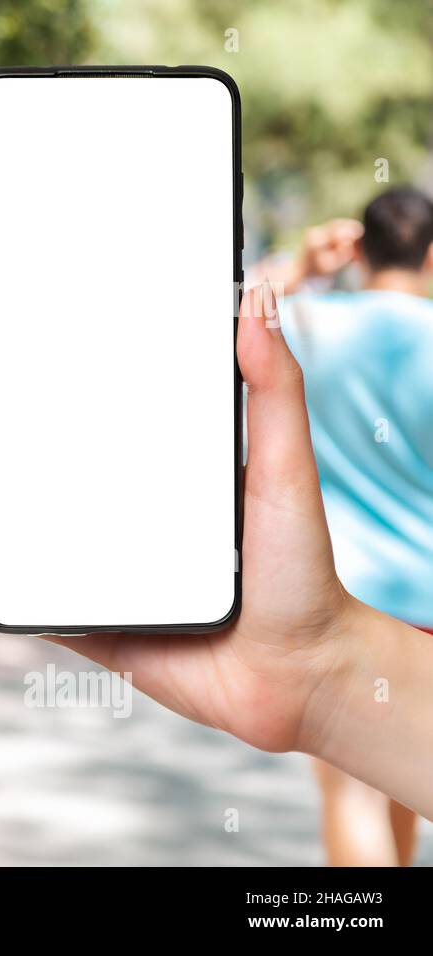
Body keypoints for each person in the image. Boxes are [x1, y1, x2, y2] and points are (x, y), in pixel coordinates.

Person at [0, 279, 433, 828]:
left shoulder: (312, 319)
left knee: (355, 803)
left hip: (351, 578)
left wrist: (323, 675)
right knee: (394, 811)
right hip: (416, 591)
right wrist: (319, 672)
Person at [251, 185, 433, 866]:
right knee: (411, 790)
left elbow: (236, 316)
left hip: (346, 599)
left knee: (353, 794)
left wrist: (301, 264)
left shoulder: (312, 325)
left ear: (358, 250)